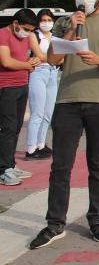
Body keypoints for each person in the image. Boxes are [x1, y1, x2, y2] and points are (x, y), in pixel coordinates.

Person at [29, 0, 99, 248]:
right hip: (67, 102)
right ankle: (54, 224)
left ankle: (96, 219)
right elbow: (53, 58)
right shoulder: (64, 22)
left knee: (98, 164)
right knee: (60, 166)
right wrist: (71, 30)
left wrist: (97, 58)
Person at [0, 9, 39, 186]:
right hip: (6, 87)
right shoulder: (3, 35)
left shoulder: (25, 37)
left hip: (22, 84)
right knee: (7, 127)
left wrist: (34, 61)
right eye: (25, 29)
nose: (28, 33)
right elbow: (6, 61)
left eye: (31, 30)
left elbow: (34, 56)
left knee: (15, 127)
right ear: (15, 23)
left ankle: (10, 163)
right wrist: (27, 65)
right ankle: (3, 169)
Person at [25, 9, 63, 160]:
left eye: (49, 20)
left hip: (52, 73)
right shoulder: (34, 35)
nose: (46, 23)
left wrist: (53, 59)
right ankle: (30, 148)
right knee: (37, 112)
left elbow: (62, 59)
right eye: (43, 20)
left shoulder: (56, 37)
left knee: (48, 113)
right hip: (38, 73)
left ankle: (40, 143)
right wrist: (53, 59)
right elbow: (39, 56)